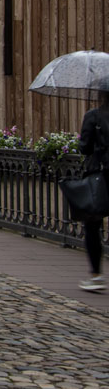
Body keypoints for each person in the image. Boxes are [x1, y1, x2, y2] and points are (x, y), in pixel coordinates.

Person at [77, 89, 109, 292]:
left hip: (100, 176)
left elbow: (85, 147)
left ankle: (96, 275)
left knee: (92, 224)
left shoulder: (93, 116)